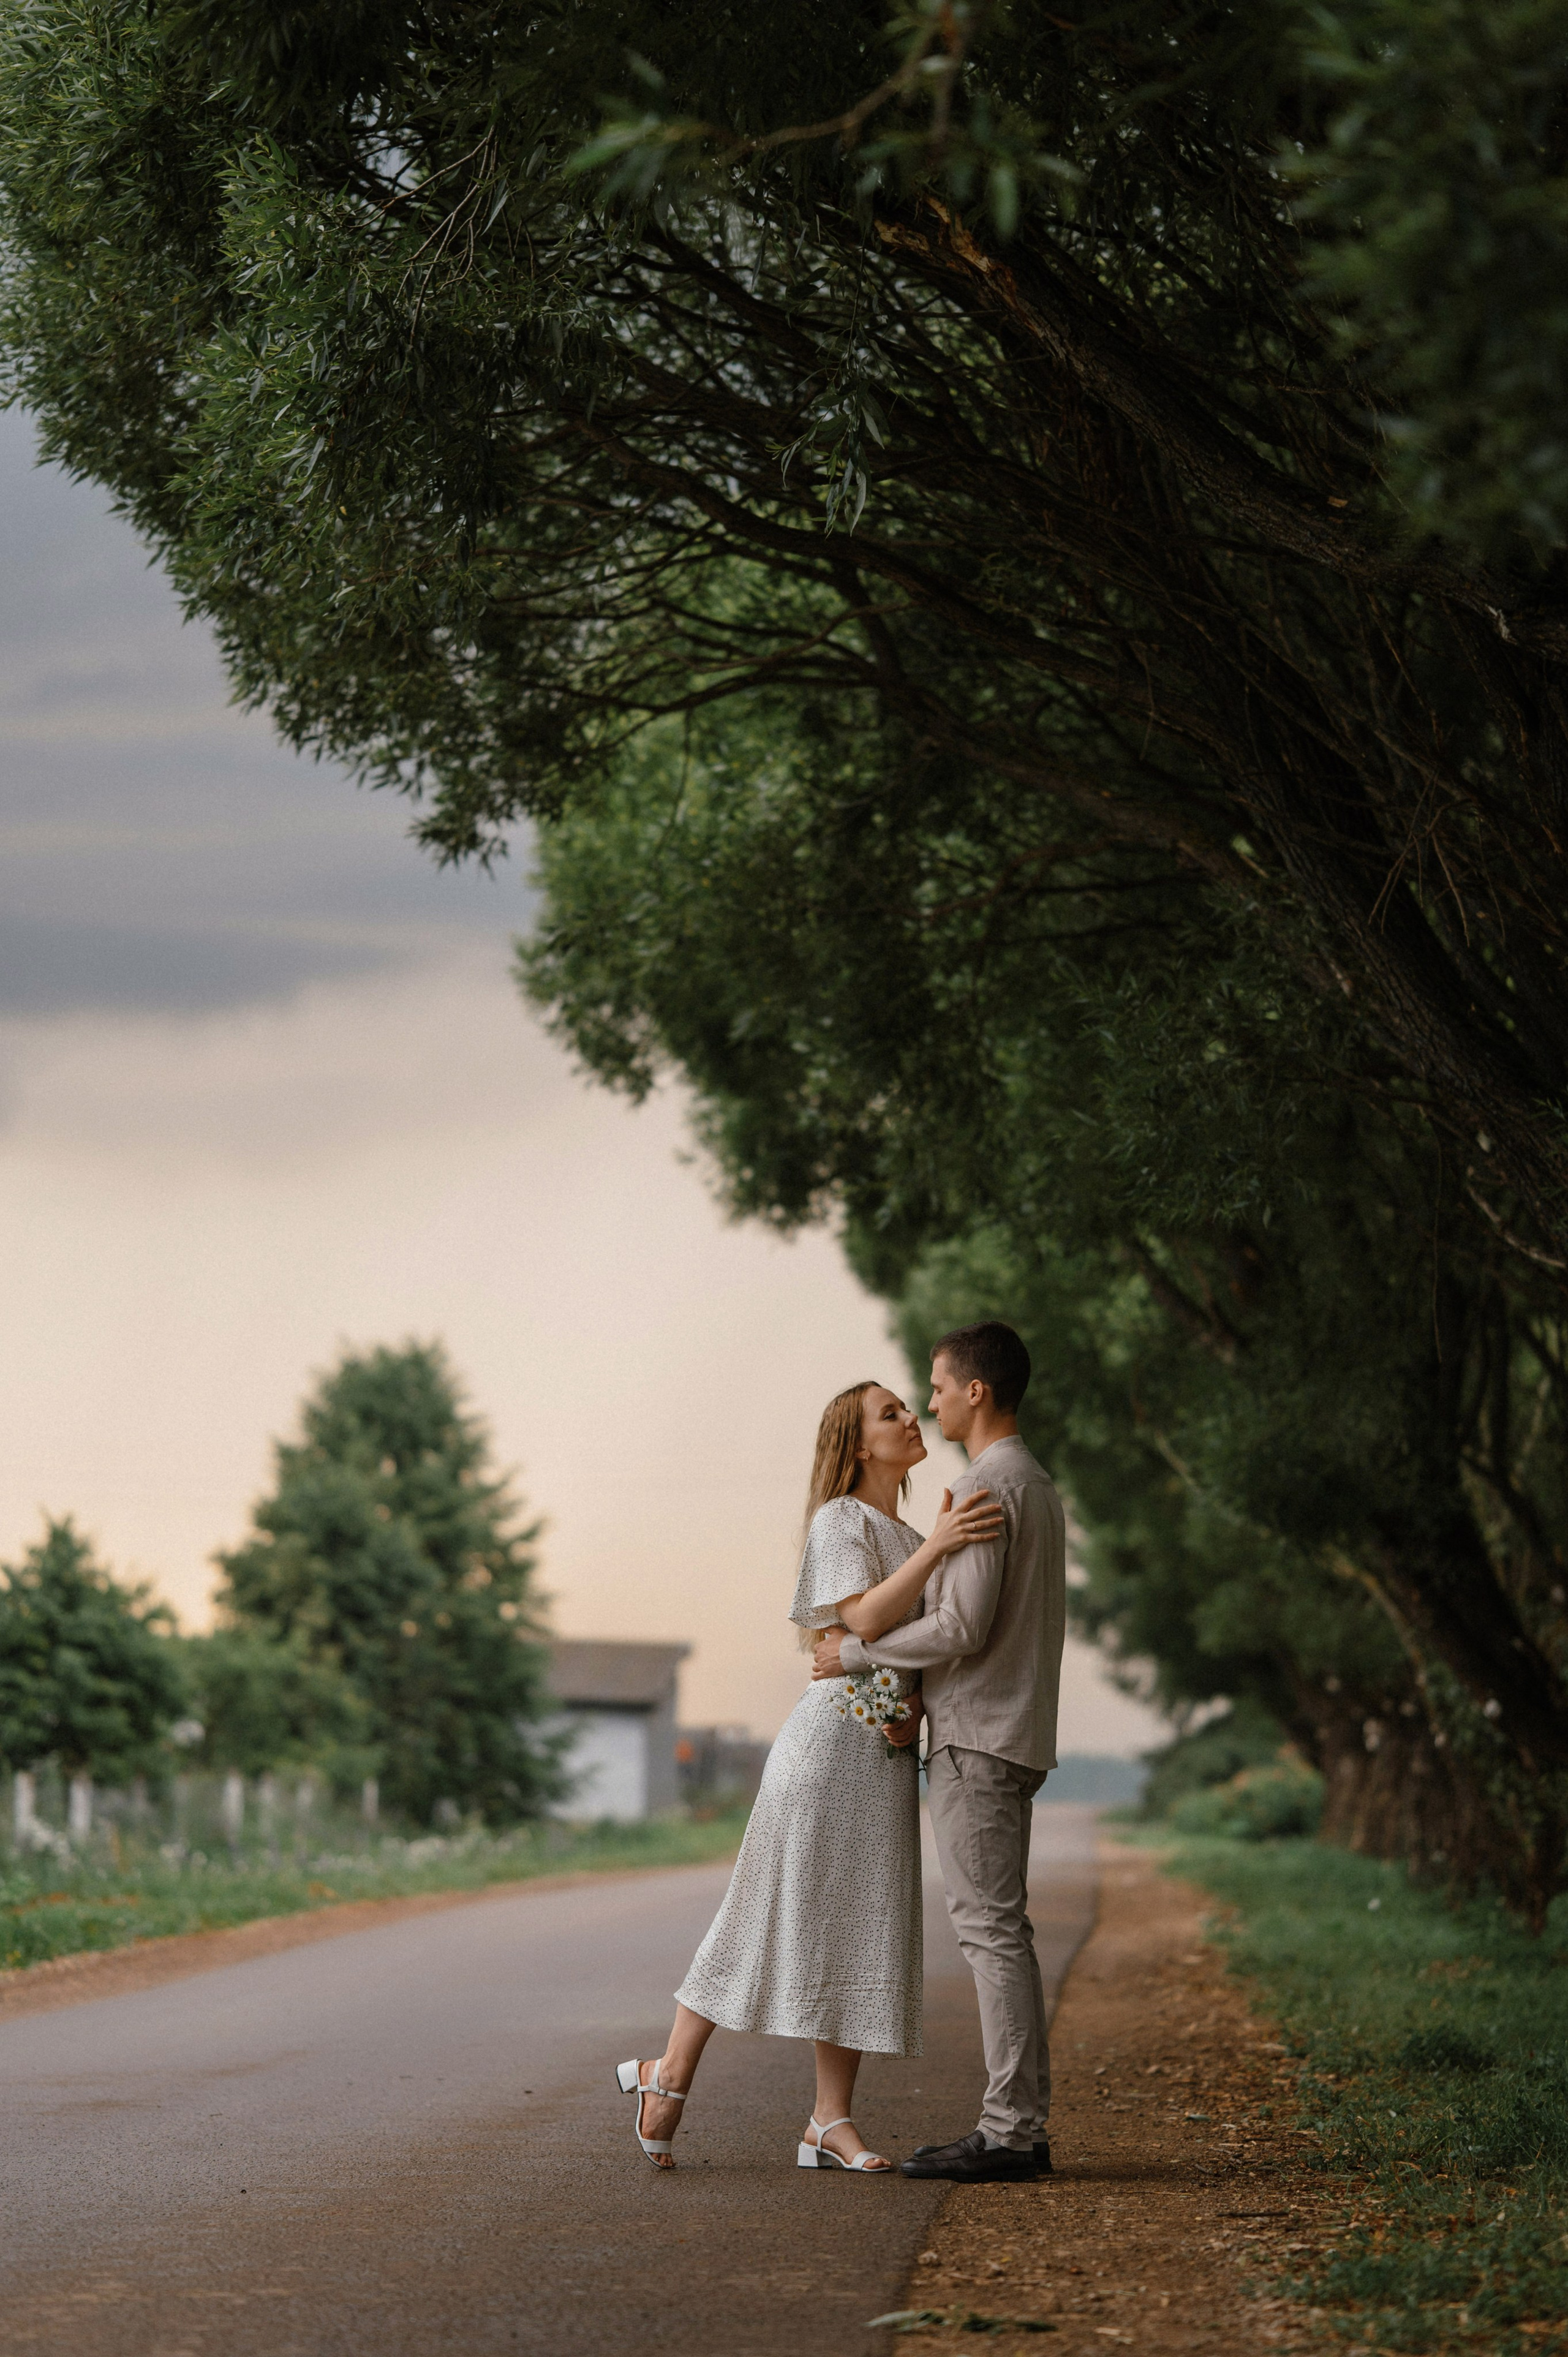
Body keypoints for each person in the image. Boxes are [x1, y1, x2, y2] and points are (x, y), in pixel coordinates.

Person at [614, 1378, 1003, 2172]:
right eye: (892, 1412)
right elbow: (861, 1621)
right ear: (860, 1445)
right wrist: (941, 1543)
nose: (912, 1418)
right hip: (824, 1749)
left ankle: (829, 2121)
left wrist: (918, 1708)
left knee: (860, 1924)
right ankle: (672, 2070)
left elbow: (922, 1643)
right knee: (763, 1910)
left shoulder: (903, 1529)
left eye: (908, 1405)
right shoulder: (844, 1521)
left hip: (883, 1755)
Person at [812, 1321, 1066, 2185]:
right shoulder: (1035, 1482)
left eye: (936, 1386)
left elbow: (961, 1625)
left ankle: (1010, 2134)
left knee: (992, 1933)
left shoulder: (985, 1487)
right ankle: (1015, 2127)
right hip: (1011, 1730)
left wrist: (852, 1654)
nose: (929, 1401)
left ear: (976, 1393)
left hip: (979, 1737)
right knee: (1000, 1930)